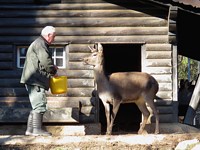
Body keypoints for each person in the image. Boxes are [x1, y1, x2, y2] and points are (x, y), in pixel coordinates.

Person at [20, 26, 58, 136]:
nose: (54, 39)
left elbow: (41, 61)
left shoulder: (39, 43)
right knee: (40, 105)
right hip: (36, 79)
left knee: (35, 105)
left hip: (33, 79)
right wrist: (53, 70)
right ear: (48, 35)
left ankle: (30, 130)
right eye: (54, 36)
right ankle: (37, 130)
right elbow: (45, 62)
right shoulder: (41, 44)